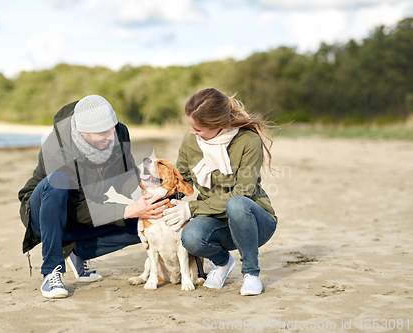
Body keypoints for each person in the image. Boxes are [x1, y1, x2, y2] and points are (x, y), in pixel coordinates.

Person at [18, 95, 168, 298]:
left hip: (88, 208)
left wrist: (152, 198)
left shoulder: (119, 132)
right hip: (45, 211)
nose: (112, 137)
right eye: (103, 133)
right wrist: (128, 209)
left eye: (112, 128)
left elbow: (126, 178)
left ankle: (79, 251)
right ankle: (51, 271)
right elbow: (79, 209)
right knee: (57, 181)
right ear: (83, 132)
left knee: (145, 222)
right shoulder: (57, 146)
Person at [163, 87, 277, 296]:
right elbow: (183, 180)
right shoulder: (190, 141)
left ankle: (251, 274)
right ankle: (223, 263)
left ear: (219, 125)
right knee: (191, 236)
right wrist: (160, 196)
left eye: (198, 129)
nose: (192, 133)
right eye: (191, 126)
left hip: (255, 222)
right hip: (217, 220)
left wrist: (192, 208)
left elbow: (242, 192)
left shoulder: (248, 141)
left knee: (237, 204)